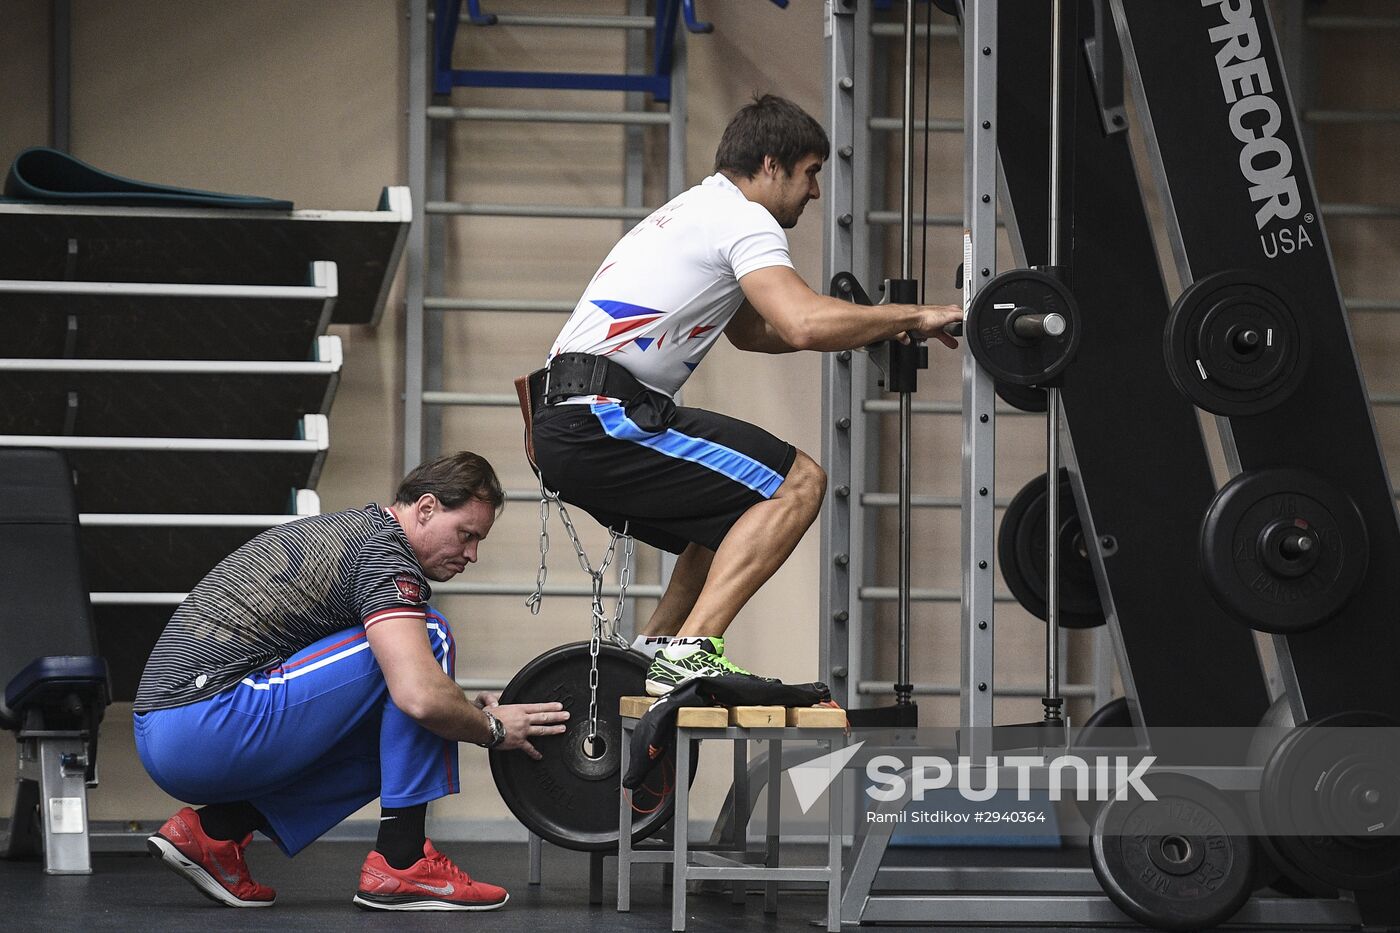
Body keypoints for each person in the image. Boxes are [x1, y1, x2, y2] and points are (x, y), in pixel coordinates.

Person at [532, 94, 963, 696]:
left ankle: (649, 657)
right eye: (811, 173)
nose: (815, 193)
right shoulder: (743, 218)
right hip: (600, 415)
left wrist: (872, 323)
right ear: (770, 165)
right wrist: (916, 315)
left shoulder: (696, 209)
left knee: (729, 517)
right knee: (801, 483)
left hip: (568, 420)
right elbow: (802, 324)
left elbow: (755, 333)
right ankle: (691, 651)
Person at [132, 451, 570, 911]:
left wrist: (461, 713)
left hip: (175, 730)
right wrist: (494, 730)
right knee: (430, 642)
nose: (472, 554)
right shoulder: (386, 552)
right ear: (425, 508)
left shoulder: (358, 533)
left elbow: (416, 704)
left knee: (396, 735)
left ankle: (215, 833)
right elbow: (420, 696)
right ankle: (402, 863)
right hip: (204, 720)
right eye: (466, 535)